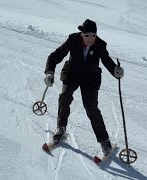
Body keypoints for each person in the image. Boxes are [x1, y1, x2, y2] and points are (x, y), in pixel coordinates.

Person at [43, 19, 124, 155]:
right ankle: (61, 129)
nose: (90, 39)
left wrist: (115, 70)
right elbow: (55, 56)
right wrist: (49, 72)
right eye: (87, 35)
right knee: (64, 97)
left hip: (90, 77)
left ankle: (105, 142)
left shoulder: (100, 44)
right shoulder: (73, 39)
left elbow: (106, 60)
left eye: (93, 35)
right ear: (82, 34)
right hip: (72, 73)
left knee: (91, 107)